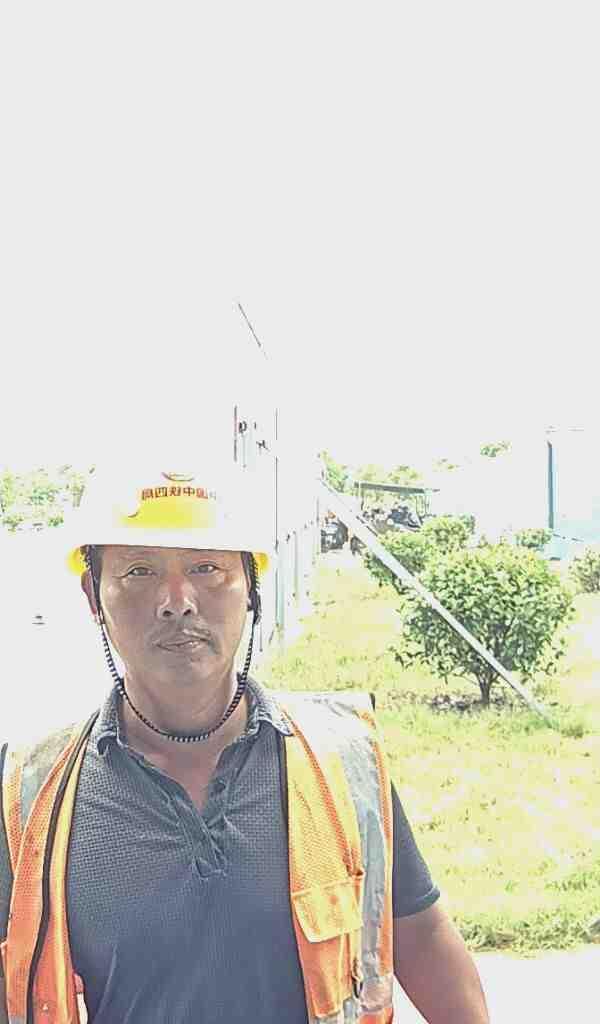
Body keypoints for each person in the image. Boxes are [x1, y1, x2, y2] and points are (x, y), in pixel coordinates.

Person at [0, 466, 489, 1023]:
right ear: (94, 595)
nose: (177, 601)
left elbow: (421, 935)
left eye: (207, 568)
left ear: (251, 587)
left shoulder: (340, 759)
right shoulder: (31, 793)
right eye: (139, 571)